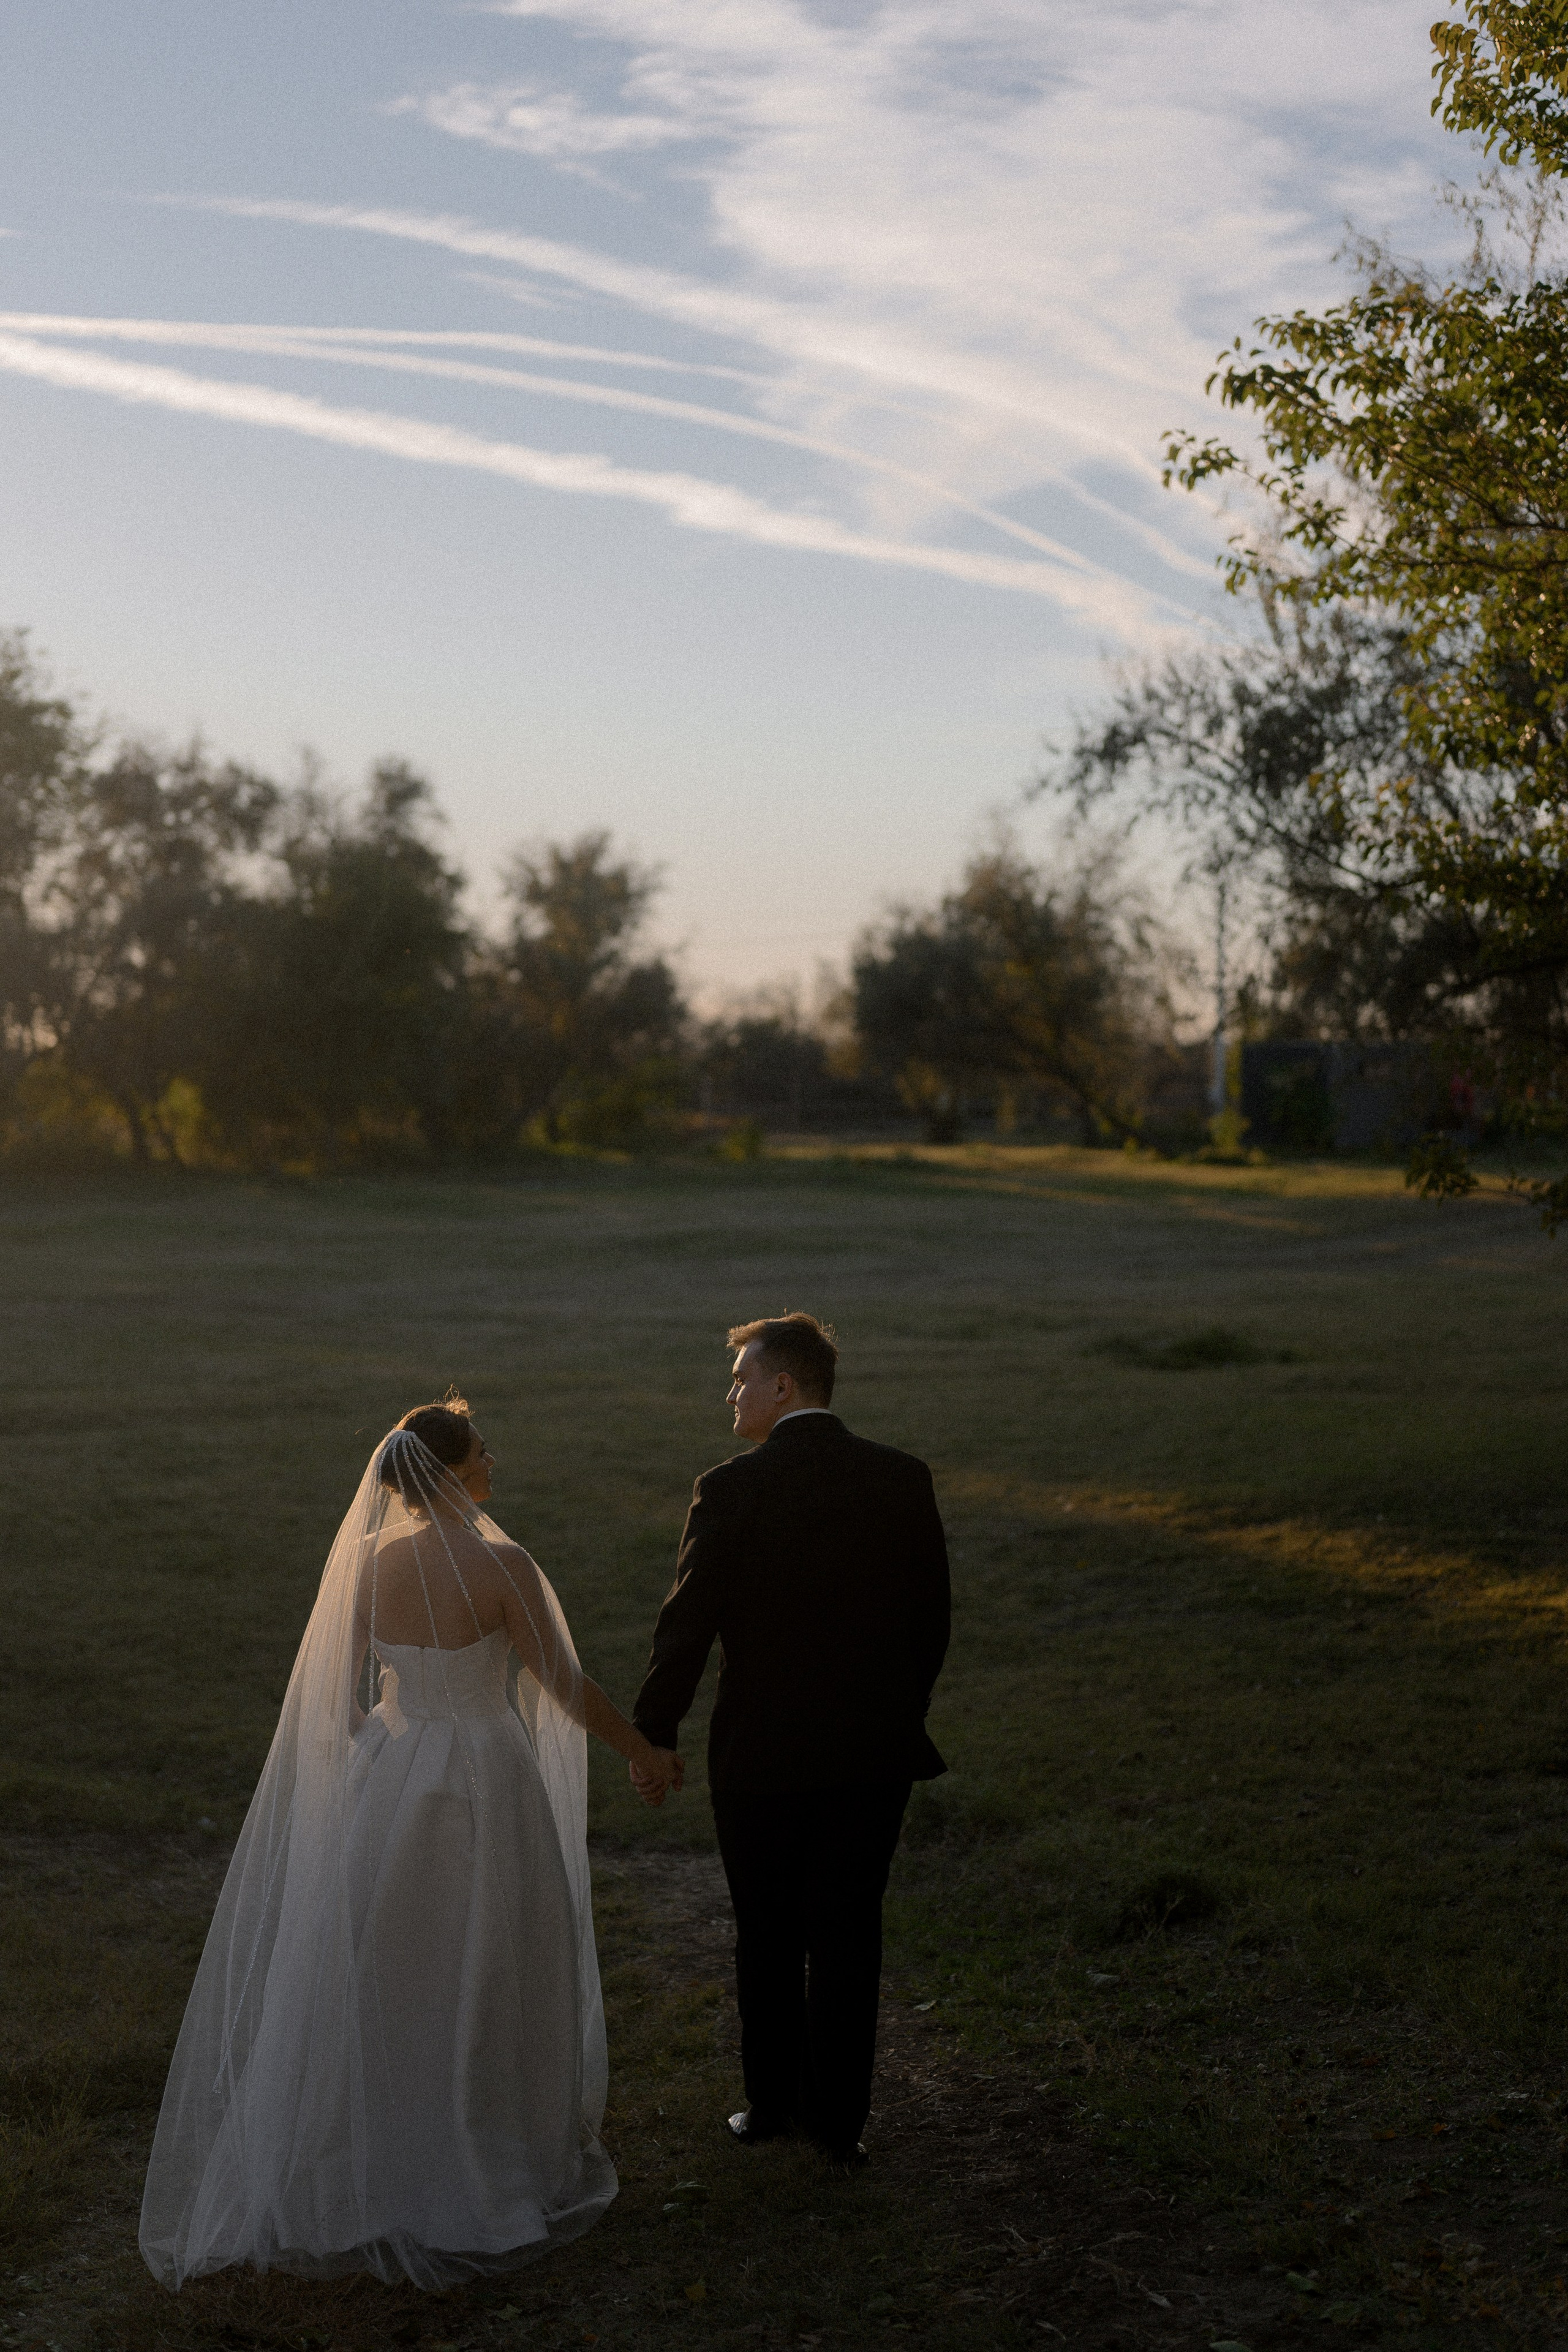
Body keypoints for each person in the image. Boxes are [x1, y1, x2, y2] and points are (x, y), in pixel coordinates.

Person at [140, 1395, 679, 2291]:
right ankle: (483, 2141)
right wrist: (643, 1753)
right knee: (488, 1951)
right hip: (484, 1774)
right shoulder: (501, 1563)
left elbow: (334, 1691)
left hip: (394, 1774)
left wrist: (381, 1741)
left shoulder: (367, 1563)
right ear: (455, 1470)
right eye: (484, 1451)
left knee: (386, 1955)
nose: (493, 1462)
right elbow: (564, 1685)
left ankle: (376, 2145)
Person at [630, 1314, 949, 2165]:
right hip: (873, 1754)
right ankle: (839, 2125)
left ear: (784, 1386)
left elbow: (686, 1628)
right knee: (849, 1933)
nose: (730, 1394)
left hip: (759, 1757)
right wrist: (897, 1712)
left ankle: (770, 2105)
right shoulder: (901, 1478)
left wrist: (653, 1734)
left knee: (767, 1933)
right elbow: (931, 1623)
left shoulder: (730, 1489)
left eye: (741, 1379)